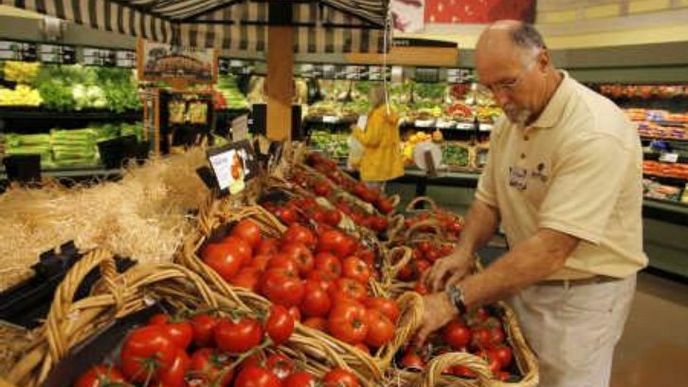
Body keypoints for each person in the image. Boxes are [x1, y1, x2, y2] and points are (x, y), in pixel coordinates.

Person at [414, 20, 648, 387]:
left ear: (543, 61)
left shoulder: (594, 132)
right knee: (528, 375)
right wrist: (464, 250)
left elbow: (552, 249)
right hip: (524, 280)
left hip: (582, 296)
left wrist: (452, 300)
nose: (499, 99)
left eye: (507, 83)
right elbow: (487, 202)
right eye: (489, 87)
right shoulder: (510, 122)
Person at [351, 85, 404, 192]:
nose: (369, 98)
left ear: (377, 98)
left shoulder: (378, 116)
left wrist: (356, 130)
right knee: (379, 195)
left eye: (371, 96)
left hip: (373, 164)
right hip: (384, 163)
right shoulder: (389, 113)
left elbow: (370, 140)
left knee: (369, 196)